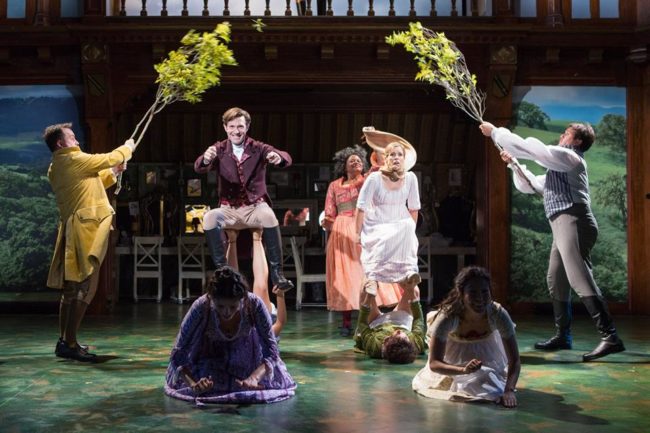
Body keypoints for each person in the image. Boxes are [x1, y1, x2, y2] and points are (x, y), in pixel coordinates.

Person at [479, 121, 625, 362]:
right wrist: (514, 165)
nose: (561, 136)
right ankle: (563, 335)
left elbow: (537, 151)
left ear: (577, 141)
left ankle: (610, 337)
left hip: (573, 220)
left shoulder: (571, 158)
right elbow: (534, 186)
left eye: (566, 134)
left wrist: (496, 132)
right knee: (556, 279)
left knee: (579, 278)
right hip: (562, 224)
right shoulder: (558, 167)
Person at [44, 123, 134, 362]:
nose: (77, 142)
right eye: (72, 138)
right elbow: (108, 157)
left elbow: (90, 183)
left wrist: (113, 172)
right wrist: (127, 149)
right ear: (61, 144)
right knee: (86, 287)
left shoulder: (57, 166)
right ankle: (70, 343)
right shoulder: (72, 159)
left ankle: (65, 341)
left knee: (71, 289)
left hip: (74, 228)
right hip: (86, 229)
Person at [194, 107, 294, 292]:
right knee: (209, 217)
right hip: (229, 209)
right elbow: (199, 166)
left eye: (240, 126)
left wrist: (277, 157)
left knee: (269, 216)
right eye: (231, 126)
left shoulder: (257, 148)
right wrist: (206, 159)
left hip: (254, 207)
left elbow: (286, 158)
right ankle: (222, 271)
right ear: (225, 127)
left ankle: (277, 274)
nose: (236, 131)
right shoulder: (220, 149)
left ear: (247, 126)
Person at [165, 266, 296, 404]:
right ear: (212, 299)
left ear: (242, 299)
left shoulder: (254, 305)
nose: (227, 312)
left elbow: (272, 350)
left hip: (247, 361)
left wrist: (255, 377)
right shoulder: (201, 306)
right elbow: (178, 352)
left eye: (233, 307)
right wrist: (193, 384)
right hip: (211, 358)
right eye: (220, 306)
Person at [412, 266, 521, 408]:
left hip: (488, 356)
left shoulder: (497, 314)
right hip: (453, 360)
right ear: (461, 294)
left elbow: (515, 360)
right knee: (458, 387)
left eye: (484, 292)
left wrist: (509, 390)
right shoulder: (448, 317)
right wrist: (463, 370)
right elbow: (434, 363)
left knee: (491, 384)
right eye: (472, 293)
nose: (480, 298)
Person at [323, 145, 402, 336]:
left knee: (368, 270)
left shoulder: (368, 179)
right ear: (344, 165)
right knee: (345, 275)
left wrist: (375, 142)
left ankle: (374, 316)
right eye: (352, 160)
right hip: (342, 231)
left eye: (359, 160)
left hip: (363, 226)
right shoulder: (334, 185)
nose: (356, 162)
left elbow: (381, 163)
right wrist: (331, 226)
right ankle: (347, 321)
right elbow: (329, 211)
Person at [355, 127, 422, 296]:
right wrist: (357, 233)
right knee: (383, 238)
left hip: (400, 220)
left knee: (407, 227)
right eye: (392, 154)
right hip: (378, 221)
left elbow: (414, 208)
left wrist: (411, 230)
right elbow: (361, 207)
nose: (396, 158)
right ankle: (373, 277)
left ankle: (409, 271)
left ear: (404, 158)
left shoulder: (411, 178)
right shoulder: (374, 178)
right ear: (386, 158)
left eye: (399, 154)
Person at [225, 228, 287, 337]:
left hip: (243, 323)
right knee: (261, 288)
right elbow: (280, 322)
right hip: (262, 322)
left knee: (231, 286)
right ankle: (257, 236)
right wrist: (280, 296)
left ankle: (232, 238)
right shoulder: (265, 335)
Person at [353, 283, 425, 363]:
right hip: (402, 320)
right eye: (405, 338)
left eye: (397, 336)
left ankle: (370, 276)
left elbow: (362, 323)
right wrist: (413, 297)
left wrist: (369, 298)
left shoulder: (375, 346)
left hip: (376, 323)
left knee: (365, 290)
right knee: (415, 290)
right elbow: (418, 318)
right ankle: (402, 275)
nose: (399, 331)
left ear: (387, 342)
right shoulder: (415, 344)